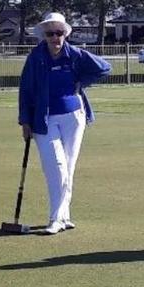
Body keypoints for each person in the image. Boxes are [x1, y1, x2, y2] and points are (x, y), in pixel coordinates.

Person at [18, 12, 111, 235]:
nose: (55, 37)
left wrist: (81, 81)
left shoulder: (75, 54)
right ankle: (56, 219)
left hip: (74, 117)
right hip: (44, 119)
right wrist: (25, 121)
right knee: (56, 167)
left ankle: (64, 216)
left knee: (68, 167)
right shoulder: (36, 57)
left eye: (59, 32)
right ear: (44, 35)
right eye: (50, 33)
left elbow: (104, 68)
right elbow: (26, 90)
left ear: (65, 34)